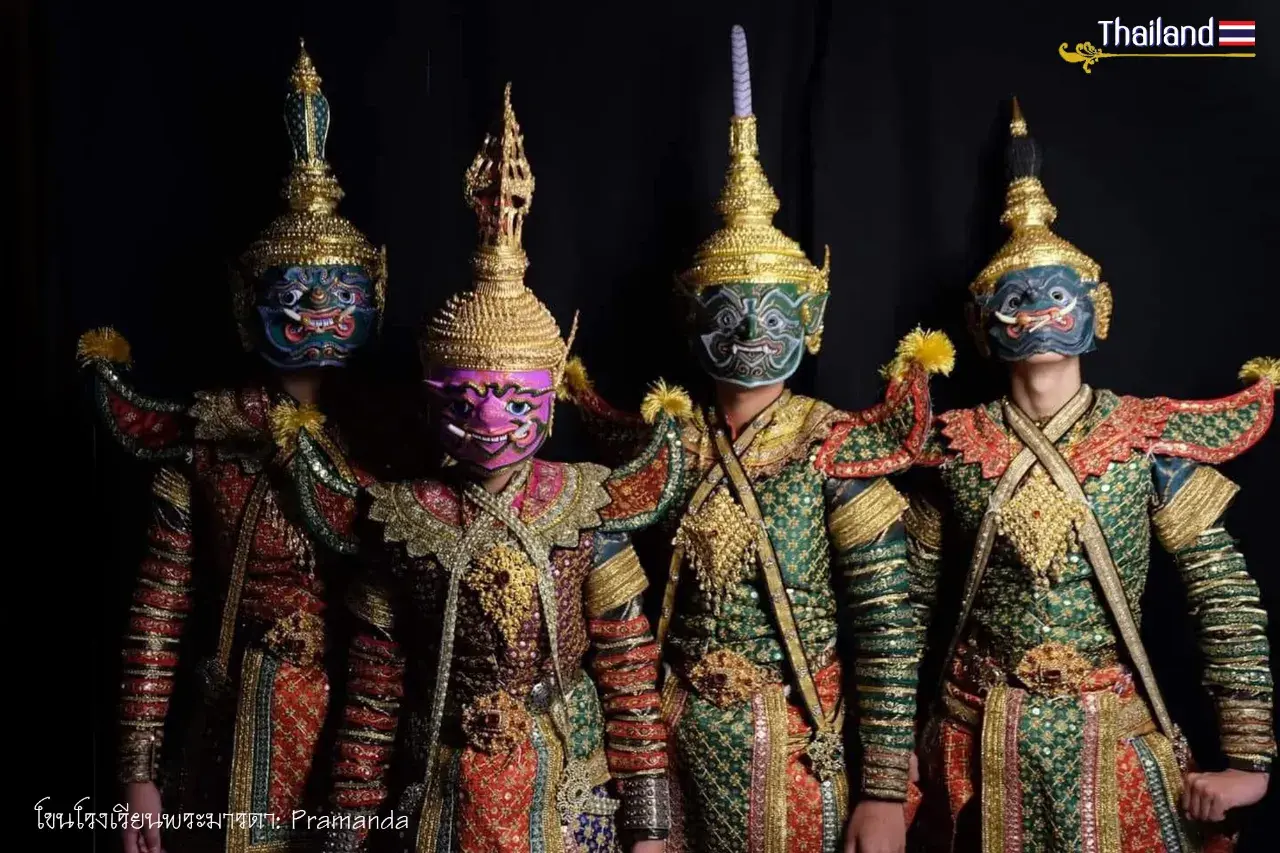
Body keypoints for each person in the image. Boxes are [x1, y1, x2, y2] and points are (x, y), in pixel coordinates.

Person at [561, 25, 954, 853]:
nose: (748, 329)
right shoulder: (665, 445)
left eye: (774, 313)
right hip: (669, 743)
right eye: (726, 309)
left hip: (797, 746)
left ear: (811, 322)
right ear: (686, 317)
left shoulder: (834, 450)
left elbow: (886, 630)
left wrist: (883, 791)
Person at [300, 84, 686, 853]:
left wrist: (646, 824)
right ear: (429, 392)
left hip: (565, 776)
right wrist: (346, 828)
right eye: (466, 396)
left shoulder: (586, 506)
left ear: (551, 393)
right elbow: (374, 692)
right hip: (441, 781)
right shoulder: (404, 516)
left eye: (512, 397)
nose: (487, 417)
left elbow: (629, 671)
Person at [907, 99, 1275, 852]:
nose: (1036, 313)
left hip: (1111, 728)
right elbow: (905, 605)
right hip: (974, 735)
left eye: (1056, 296)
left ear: (1096, 311)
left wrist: (1249, 760)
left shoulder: (1148, 443)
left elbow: (1224, 596)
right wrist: (887, 761)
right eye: (1014, 300)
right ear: (980, 326)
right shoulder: (955, 448)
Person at [77, 41, 387, 853]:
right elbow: (158, 609)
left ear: (377, 298)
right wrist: (137, 769)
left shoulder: (399, 441)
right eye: (295, 294)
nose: (320, 308)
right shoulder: (209, 446)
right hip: (237, 728)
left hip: (373, 724)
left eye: (343, 294)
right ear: (246, 305)